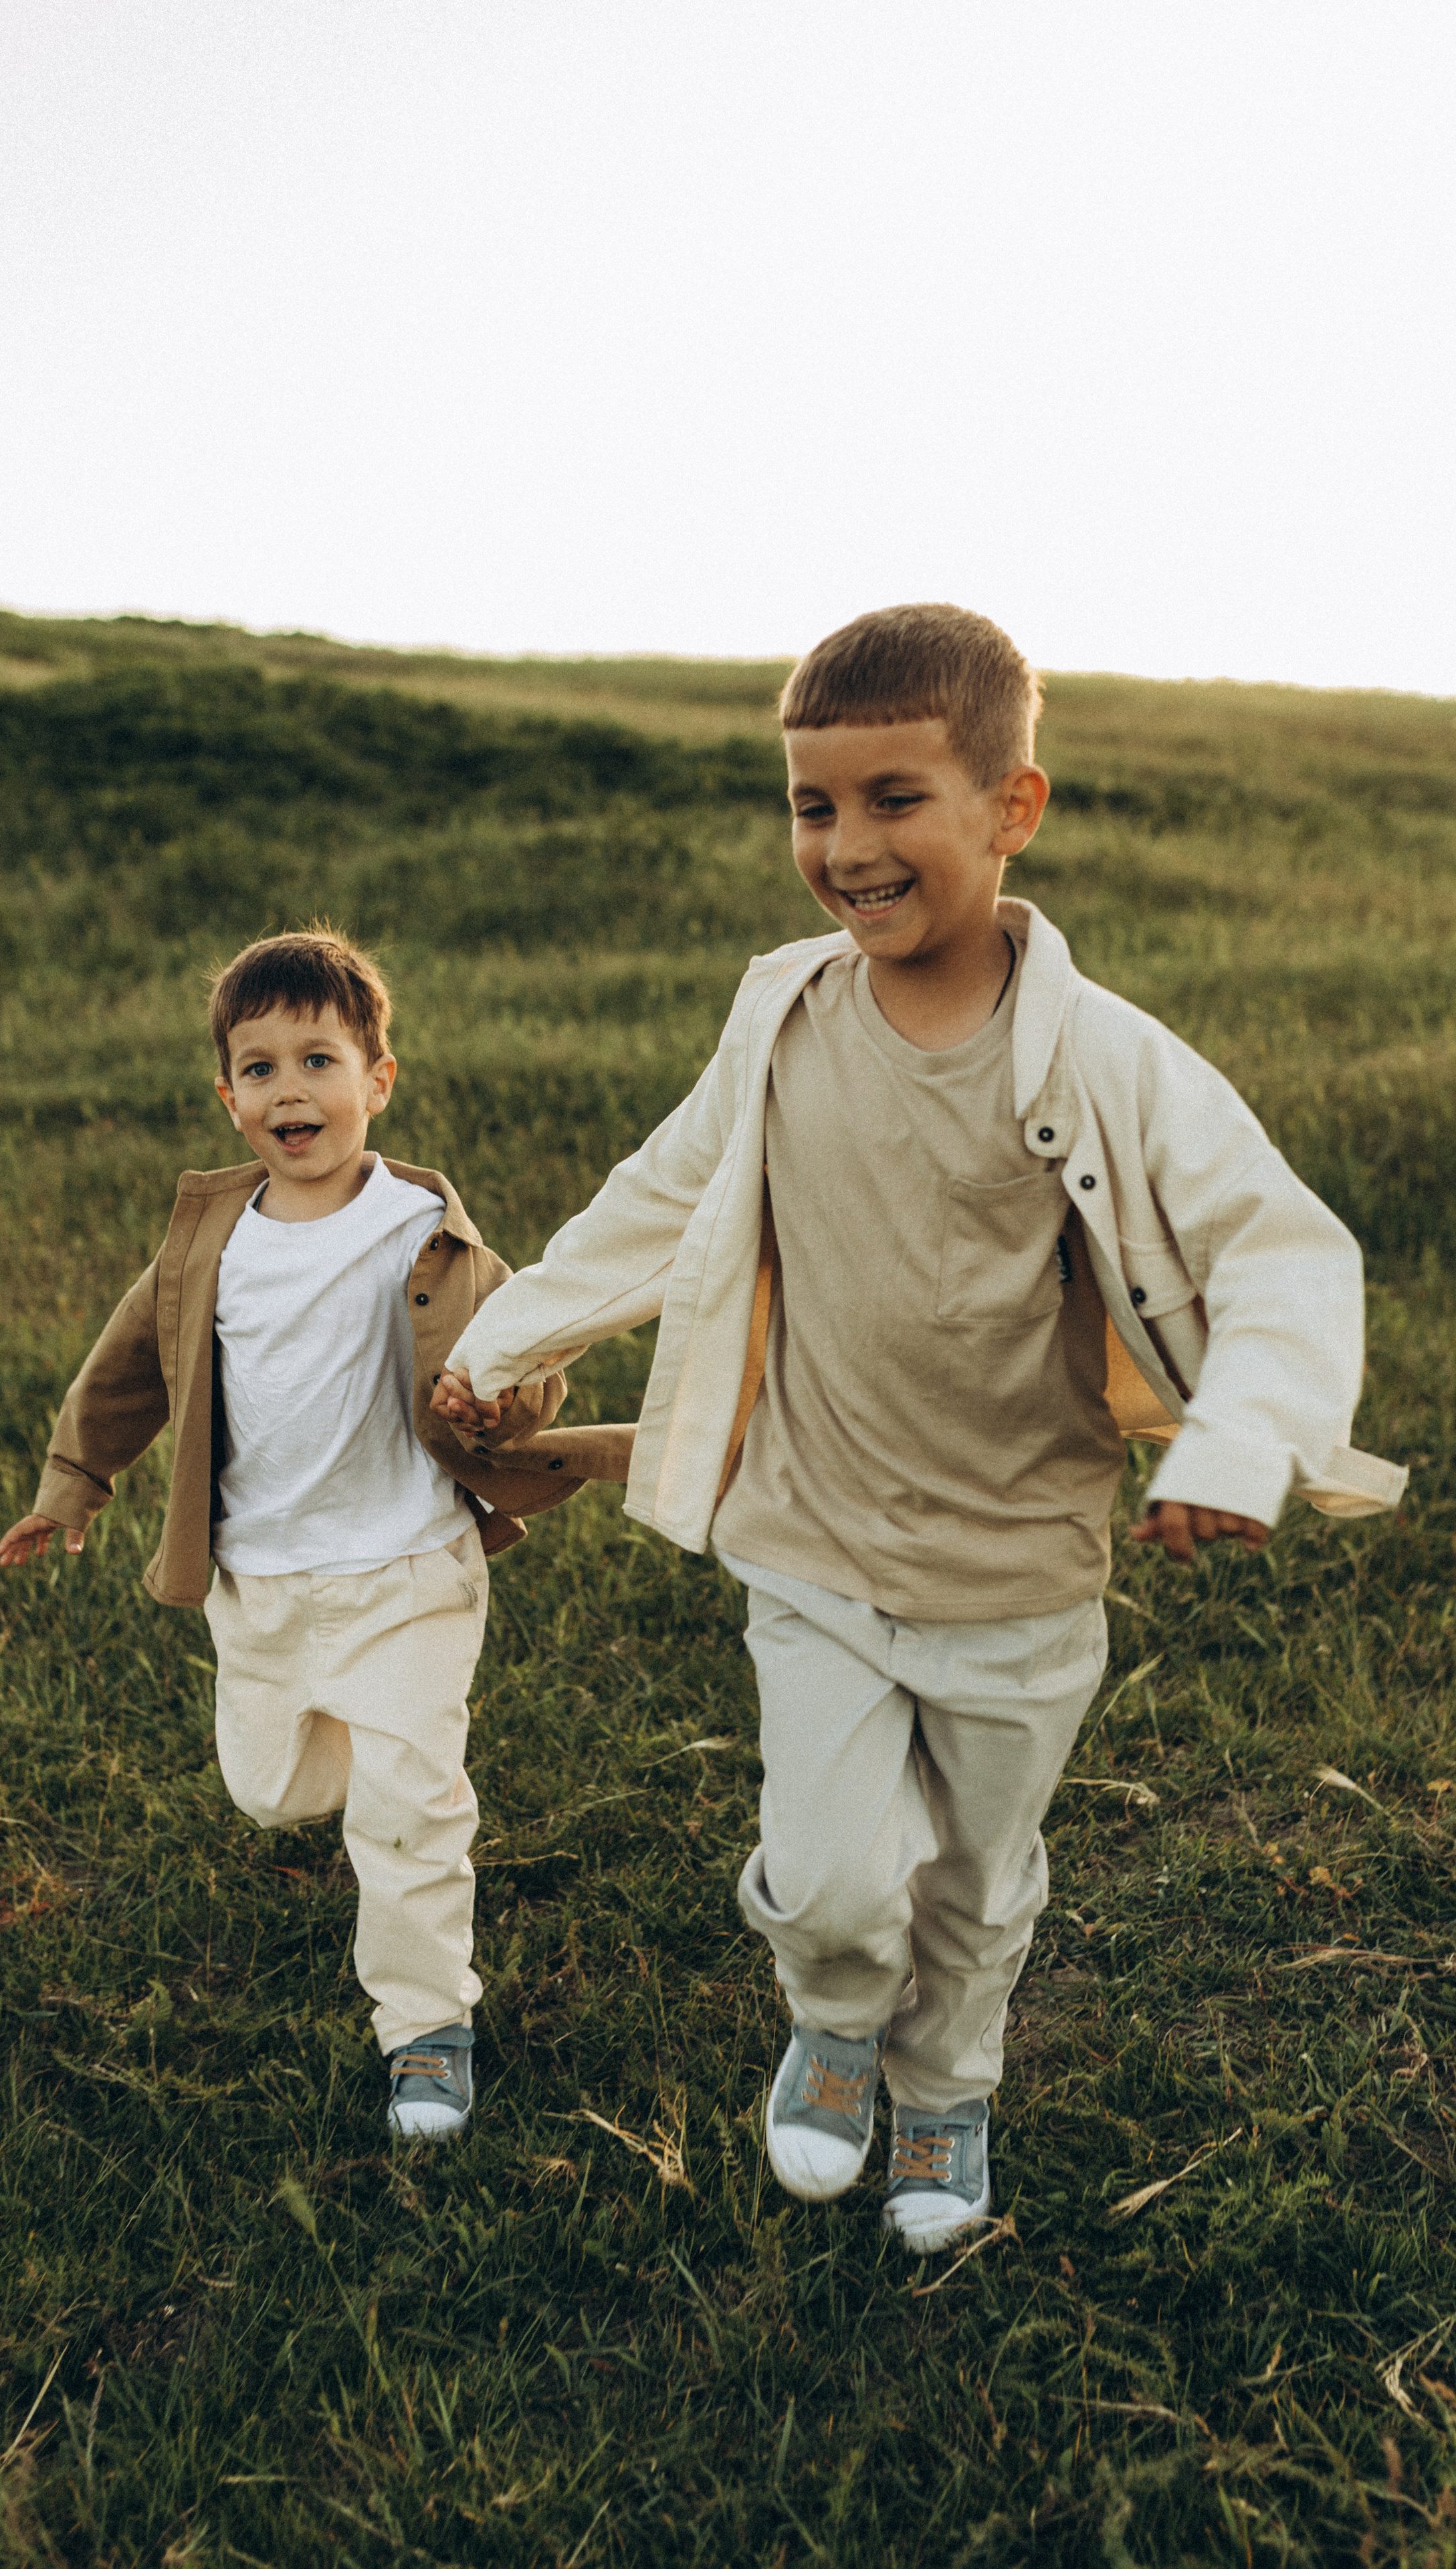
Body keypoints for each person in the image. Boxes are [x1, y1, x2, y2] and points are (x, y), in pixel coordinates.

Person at [432, 605, 1405, 2249]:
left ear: (1010, 808)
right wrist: (506, 1337)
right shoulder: (785, 1015)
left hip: (1018, 1572)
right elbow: (667, 1191)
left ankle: (944, 2095)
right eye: (813, 806)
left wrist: (1239, 1444)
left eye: (894, 799)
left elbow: (1279, 1252)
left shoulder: (1103, 1058)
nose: (847, 846)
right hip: (810, 1540)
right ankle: (831, 2024)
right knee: (829, 1882)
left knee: (971, 1880)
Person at [0, 927, 627, 2141]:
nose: (292, 1090)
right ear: (227, 1097)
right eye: (261, 1067)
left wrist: (495, 1405)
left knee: (410, 1809)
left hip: (409, 1566)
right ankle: (356, 1762)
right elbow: (129, 1367)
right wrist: (74, 1481)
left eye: (319, 1060)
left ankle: (426, 2029)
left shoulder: (424, 1231)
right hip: (262, 1577)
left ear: (377, 1080)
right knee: (274, 1789)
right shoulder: (210, 1243)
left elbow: (529, 1365)